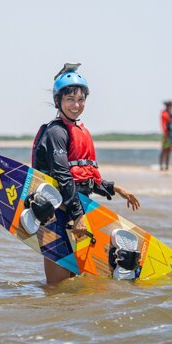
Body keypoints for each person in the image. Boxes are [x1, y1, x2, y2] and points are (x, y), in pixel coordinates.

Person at [32, 63, 141, 284]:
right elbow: (63, 176)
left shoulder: (79, 130)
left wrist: (114, 188)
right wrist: (78, 216)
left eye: (81, 99)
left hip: (75, 210)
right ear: (58, 101)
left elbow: (85, 177)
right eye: (70, 99)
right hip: (55, 214)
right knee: (57, 286)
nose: (76, 105)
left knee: (74, 282)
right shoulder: (56, 132)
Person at [159, 100, 172, 171]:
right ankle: (161, 166)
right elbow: (167, 122)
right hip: (166, 135)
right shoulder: (164, 113)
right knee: (164, 150)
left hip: (170, 135)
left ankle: (167, 166)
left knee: (168, 151)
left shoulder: (169, 113)